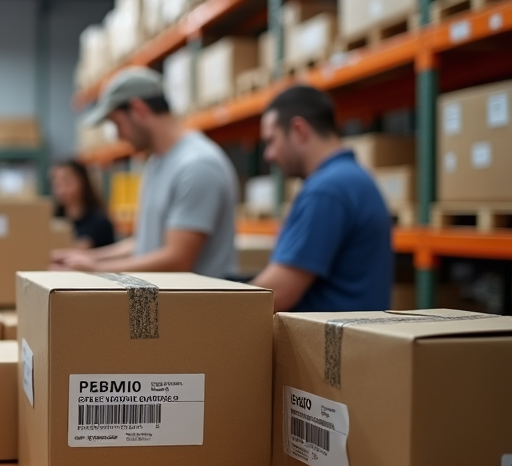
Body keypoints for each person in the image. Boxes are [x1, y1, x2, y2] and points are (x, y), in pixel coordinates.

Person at [52, 67, 237, 277]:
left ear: (138, 110)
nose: (118, 136)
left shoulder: (197, 165)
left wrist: (96, 270)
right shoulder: (157, 163)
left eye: (117, 124)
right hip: (165, 304)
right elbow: (146, 244)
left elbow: (177, 259)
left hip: (197, 308)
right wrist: (87, 258)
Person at [251, 85, 392, 311]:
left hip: (331, 344)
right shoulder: (354, 178)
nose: (269, 155)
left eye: (271, 141)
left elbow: (278, 294)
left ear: (299, 130)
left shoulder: (327, 190)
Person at [50, 159, 116, 249]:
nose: (62, 190)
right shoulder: (54, 217)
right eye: (57, 183)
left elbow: (79, 248)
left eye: (67, 182)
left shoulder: (98, 221)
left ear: (82, 182)